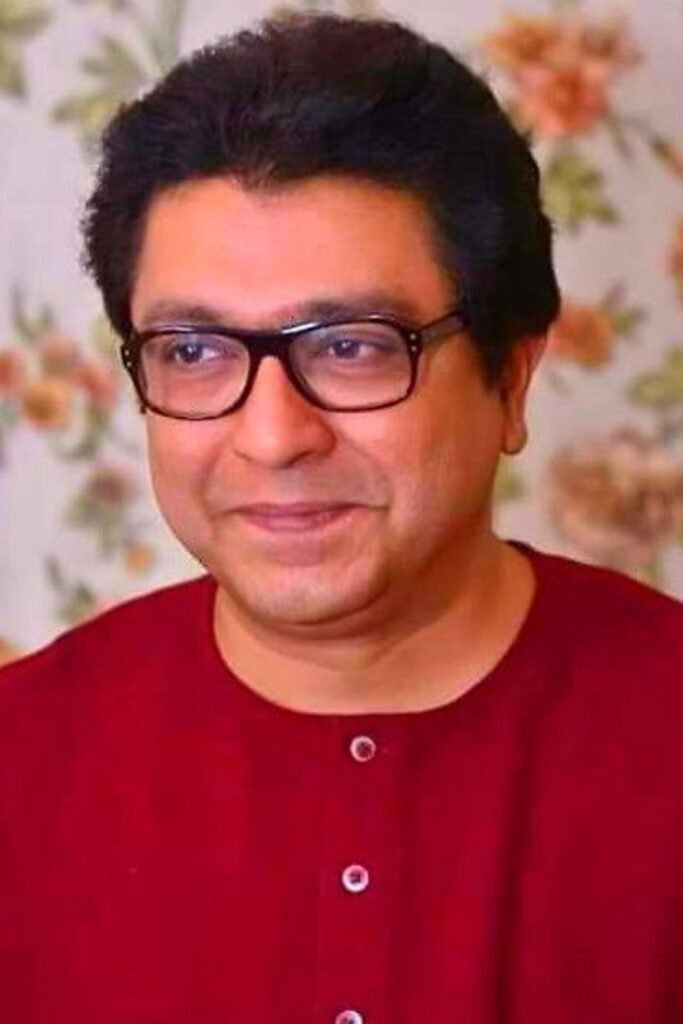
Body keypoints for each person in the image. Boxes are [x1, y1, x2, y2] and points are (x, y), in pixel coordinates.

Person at [1, 13, 682, 1024]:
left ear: (509, 378)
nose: (273, 437)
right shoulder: (21, 759)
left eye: (352, 346)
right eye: (193, 352)